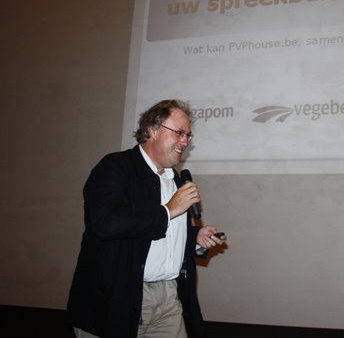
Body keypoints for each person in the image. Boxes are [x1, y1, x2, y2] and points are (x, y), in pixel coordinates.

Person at [68, 99, 226, 338]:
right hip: (119, 299)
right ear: (152, 130)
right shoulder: (114, 168)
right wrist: (169, 210)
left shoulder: (175, 179)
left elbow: (162, 233)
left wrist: (194, 237)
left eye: (188, 135)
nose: (185, 142)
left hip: (170, 297)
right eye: (179, 133)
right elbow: (106, 223)